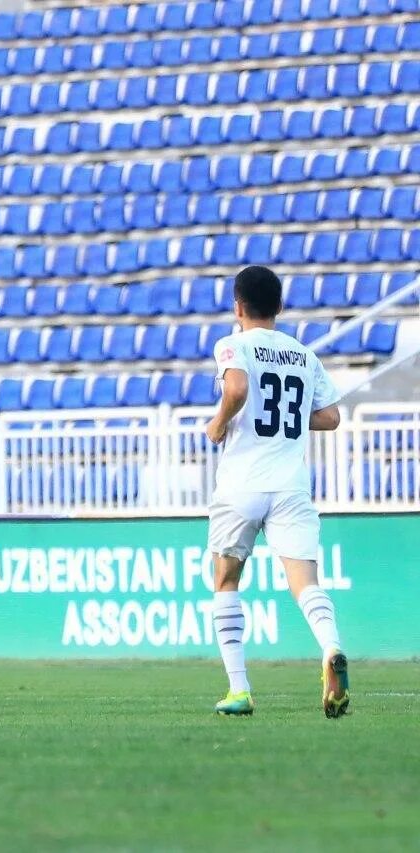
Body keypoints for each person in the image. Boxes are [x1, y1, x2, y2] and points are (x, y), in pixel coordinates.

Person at [205, 265, 350, 719]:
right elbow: (331, 417)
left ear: (238, 306)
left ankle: (239, 690)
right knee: (305, 582)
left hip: (242, 485)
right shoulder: (303, 355)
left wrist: (220, 421)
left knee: (227, 580)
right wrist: (286, 422)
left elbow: (239, 386)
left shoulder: (232, 344)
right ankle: (330, 648)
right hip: (290, 485)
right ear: (280, 308)